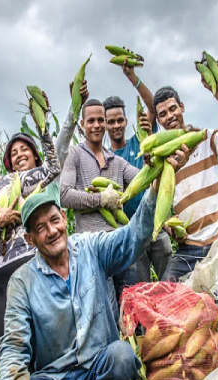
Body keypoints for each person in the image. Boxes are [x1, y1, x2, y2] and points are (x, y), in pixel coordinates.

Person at [0, 148, 190, 380]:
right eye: (40, 228)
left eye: (54, 220)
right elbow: (14, 345)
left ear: (64, 219)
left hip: (99, 366)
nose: (52, 231)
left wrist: (156, 187)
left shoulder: (90, 248)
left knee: (122, 356)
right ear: (30, 239)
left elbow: (132, 237)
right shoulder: (22, 281)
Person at [0, 83, 88, 352]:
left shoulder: (16, 180)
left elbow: (52, 169)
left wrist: (41, 126)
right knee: (10, 350)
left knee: (49, 346)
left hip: (29, 267)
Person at [156, 62, 218, 282]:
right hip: (189, 246)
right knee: (168, 289)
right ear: (158, 121)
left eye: (172, 109)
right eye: (163, 114)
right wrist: (168, 224)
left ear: (182, 107)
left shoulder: (205, 138)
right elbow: (159, 202)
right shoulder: (163, 160)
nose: (169, 116)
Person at [60, 99, 139, 319]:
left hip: (121, 244)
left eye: (100, 120)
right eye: (91, 121)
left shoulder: (117, 161)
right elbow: (64, 195)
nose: (96, 125)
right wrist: (101, 199)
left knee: (131, 312)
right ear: (82, 125)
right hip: (91, 249)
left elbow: (140, 178)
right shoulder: (75, 155)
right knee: (108, 315)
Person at [103, 95, 172, 282]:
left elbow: (153, 105)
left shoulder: (141, 141)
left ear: (126, 121)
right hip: (131, 230)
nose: (116, 125)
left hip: (157, 224)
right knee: (141, 287)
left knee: (171, 280)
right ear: (105, 124)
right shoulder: (106, 158)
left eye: (120, 120)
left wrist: (135, 80)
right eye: (111, 122)